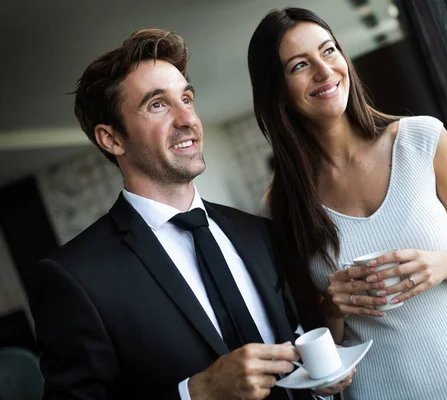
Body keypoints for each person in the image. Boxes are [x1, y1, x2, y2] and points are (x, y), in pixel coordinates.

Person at [24, 29, 353, 400]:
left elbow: (291, 347)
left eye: (186, 98)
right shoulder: (75, 277)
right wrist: (195, 393)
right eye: (157, 105)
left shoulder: (257, 233)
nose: (187, 119)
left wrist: (320, 381)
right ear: (112, 138)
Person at [248, 8, 447, 400]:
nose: (324, 71)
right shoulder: (279, 206)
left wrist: (440, 264)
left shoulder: (422, 139)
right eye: (299, 66)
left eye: (329, 51)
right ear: (276, 90)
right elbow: (312, 331)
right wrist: (333, 308)